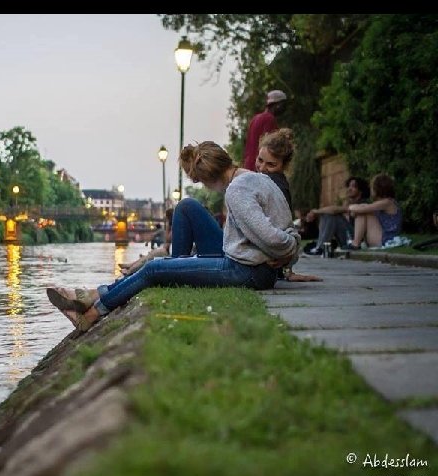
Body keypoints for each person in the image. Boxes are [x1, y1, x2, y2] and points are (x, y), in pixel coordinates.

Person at [47, 140, 301, 333]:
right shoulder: (252, 177)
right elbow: (286, 230)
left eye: (200, 181)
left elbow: (273, 238)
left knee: (155, 270)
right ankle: (93, 295)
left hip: (248, 272)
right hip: (251, 265)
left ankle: (92, 313)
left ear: (207, 177)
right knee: (184, 214)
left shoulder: (237, 191)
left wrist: (285, 252)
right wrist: (289, 250)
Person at [254, 128, 321, 282]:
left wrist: (286, 267)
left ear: (284, 165)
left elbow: (283, 225)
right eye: (260, 160)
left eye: (271, 164)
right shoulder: (261, 180)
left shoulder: (278, 187)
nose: (263, 168)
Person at [303, 176, 371, 255]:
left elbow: (333, 210)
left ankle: (320, 248)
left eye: (353, 187)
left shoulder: (361, 204)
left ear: (361, 191)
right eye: (349, 186)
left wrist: (316, 212)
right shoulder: (347, 204)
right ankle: (320, 246)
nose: (349, 189)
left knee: (330, 215)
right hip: (347, 238)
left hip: (357, 240)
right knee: (328, 214)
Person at [345, 174, 401, 249]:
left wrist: (351, 207)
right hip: (382, 237)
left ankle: (355, 244)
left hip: (386, 239)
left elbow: (362, 209)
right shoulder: (384, 203)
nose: (371, 190)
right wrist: (356, 208)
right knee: (363, 210)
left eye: (372, 188)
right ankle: (357, 243)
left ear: (378, 189)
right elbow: (363, 207)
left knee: (362, 212)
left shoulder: (387, 202)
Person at [119, 208, 174, 277]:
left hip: (167, 251)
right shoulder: (172, 226)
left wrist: (168, 226)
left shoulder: (174, 227)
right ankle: (130, 266)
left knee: (149, 257)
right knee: (148, 255)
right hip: (165, 249)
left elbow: (168, 239)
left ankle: (130, 271)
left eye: (166, 218)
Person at [243, 90, 287, 172]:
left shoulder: (255, 118)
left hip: (248, 166)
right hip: (259, 168)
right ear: (277, 105)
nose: (284, 108)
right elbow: (270, 147)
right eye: (283, 104)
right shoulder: (269, 119)